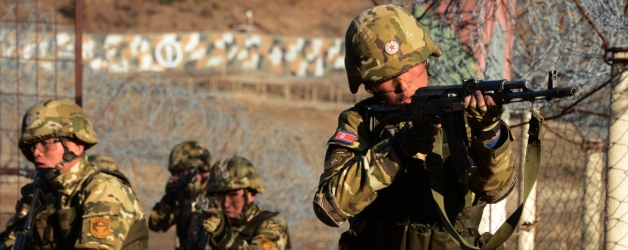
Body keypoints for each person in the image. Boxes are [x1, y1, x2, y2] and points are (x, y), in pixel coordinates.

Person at [312, 4, 516, 249]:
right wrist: (398, 149)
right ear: (368, 84)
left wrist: (488, 133)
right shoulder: (362, 121)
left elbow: (496, 191)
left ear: (426, 61)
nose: (404, 87)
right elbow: (329, 206)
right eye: (388, 79)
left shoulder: (462, 112)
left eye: (410, 71)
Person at [0, 99, 149, 249]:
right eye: (32, 146)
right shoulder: (38, 195)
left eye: (46, 143)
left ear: (77, 146)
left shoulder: (103, 189)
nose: (36, 152)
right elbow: (8, 242)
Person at [187, 156, 291, 250]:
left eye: (233, 195)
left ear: (251, 193)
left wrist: (222, 235)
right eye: (219, 195)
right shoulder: (209, 222)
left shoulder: (272, 225)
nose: (225, 203)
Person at [148, 141, 213, 249]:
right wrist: (169, 199)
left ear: (204, 171)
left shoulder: (218, 195)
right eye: (177, 174)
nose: (180, 178)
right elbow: (156, 224)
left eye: (185, 173)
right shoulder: (181, 196)